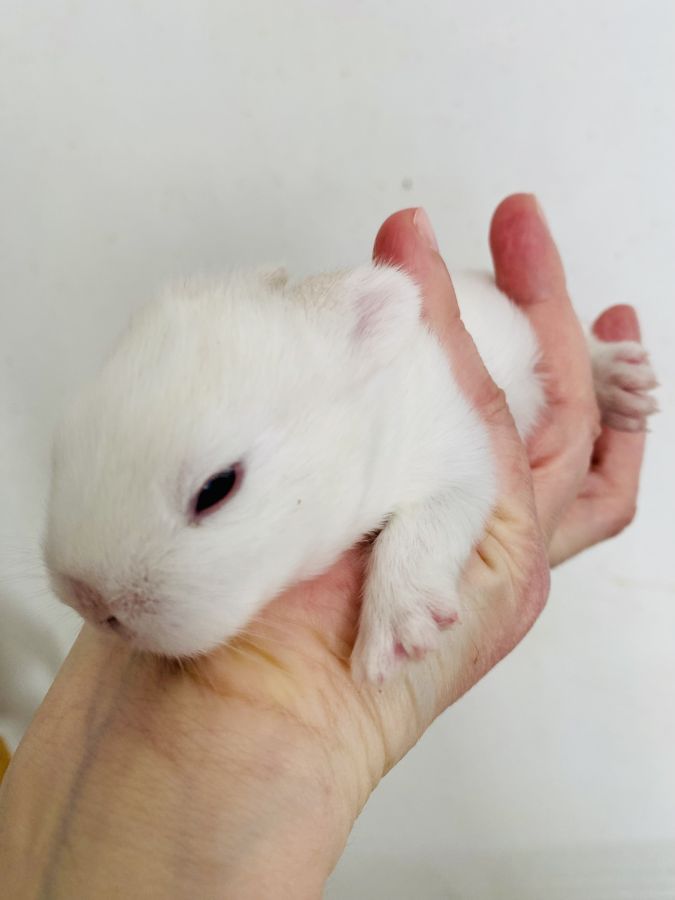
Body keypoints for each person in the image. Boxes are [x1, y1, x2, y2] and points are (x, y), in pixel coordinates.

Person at [0, 195, 646, 898]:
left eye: (213, 490)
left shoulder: (393, 403)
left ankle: (586, 355)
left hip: (510, 351)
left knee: (537, 347)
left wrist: (412, 572)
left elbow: (462, 474)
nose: (83, 599)